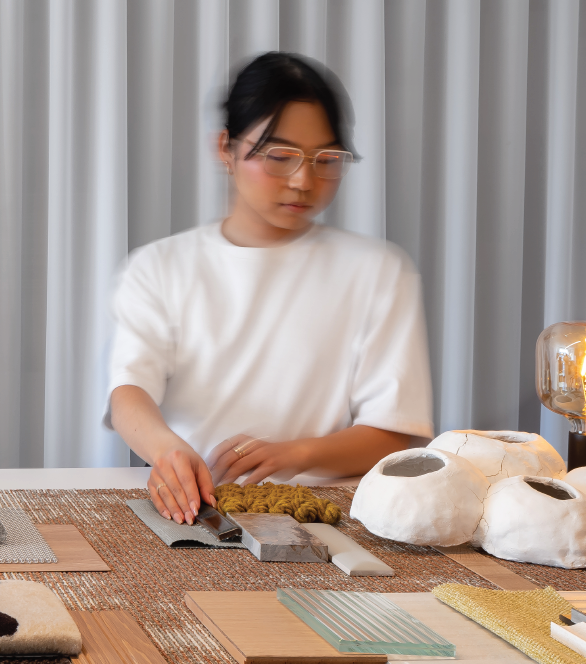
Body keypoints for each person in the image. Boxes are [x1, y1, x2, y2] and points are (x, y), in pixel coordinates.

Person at [108, 52, 433, 524]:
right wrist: (166, 450)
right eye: (280, 156)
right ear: (226, 148)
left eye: (326, 160)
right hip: (194, 509)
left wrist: (294, 453)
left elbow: (394, 432)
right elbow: (129, 391)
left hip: (327, 514)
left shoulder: (378, 271)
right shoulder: (160, 266)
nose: (303, 181)